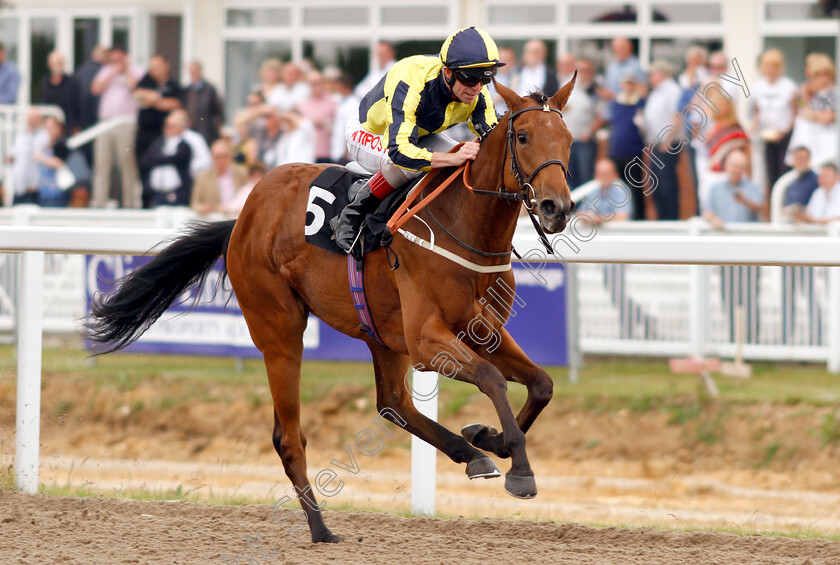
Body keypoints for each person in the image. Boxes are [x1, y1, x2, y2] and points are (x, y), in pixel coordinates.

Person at [331, 26, 503, 252]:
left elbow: (494, 138)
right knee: (417, 165)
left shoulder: (477, 92)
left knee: (465, 160)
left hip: (420, 136)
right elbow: (400, 151)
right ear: (448, 72)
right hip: (370, 133)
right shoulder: (411, 79)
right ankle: (350, 215)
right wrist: (451, 159)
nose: (477, 88)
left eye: (485, 78)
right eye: (470, 79)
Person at [90, 45, 143, 208]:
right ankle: (99, 202)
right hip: (106, 123)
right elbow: (95, 88)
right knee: (102, 163)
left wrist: (126, 70)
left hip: (126, 122)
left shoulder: (137, 71)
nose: (116, 63)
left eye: (119, 60)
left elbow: (137, 88)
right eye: (113, 60)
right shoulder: (107, 71)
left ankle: (131, 203)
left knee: (126, 163)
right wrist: (113, 72)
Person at [134, 54, 183, 207]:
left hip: (160, 135)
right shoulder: (146, 80)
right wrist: (158, 99)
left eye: (157, 66)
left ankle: (159, 200)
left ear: (166, 66)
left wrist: (153, 100)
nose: (154, 70)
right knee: (143, 167)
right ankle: (145, 202)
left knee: (159, 166)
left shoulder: (173, 85)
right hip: (143, 133)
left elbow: (174, 104)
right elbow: (137, 96)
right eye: (152, 67)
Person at [750, 49, 798, 194]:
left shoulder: (789, 87)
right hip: (766, 135)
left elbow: (796, 111)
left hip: (785, 136)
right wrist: (753, 126)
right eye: (767, 66)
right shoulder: (757, 87)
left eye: (774, 66)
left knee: (784, 170)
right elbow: (757, 111)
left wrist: (785, 131)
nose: (770, 70)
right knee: (769, 172)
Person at [643, 60, 682, 220]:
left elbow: (677, 114)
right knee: (656, 185)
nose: (650, 77)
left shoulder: (672, 90)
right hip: (656, 143)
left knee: (667, 184)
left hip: (667, 144)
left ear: (662, 74)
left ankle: (671, 218)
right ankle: (662, 217)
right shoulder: (657, 91)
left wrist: (668, 139)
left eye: (653, 74)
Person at [786, 53, 836, 171]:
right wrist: (804, 94)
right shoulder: (815, 95)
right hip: (813, 143)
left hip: (827, 145)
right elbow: (802, 111)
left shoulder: (834, 94)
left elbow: (827, 118)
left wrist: (812, 115)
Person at [608, 71, 646, 220]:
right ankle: (621, 215)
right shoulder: (616, 103)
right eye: (626, 83)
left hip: (634, 151)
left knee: (636, 187)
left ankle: (638, 218)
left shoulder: (641, 102)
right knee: (618, 187)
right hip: (617, 151)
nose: (628, 87)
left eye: (631, 83)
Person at [563, 56, 604, 188]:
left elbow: (601, 116)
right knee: (568, 176)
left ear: (591, 72)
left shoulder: (595, 91)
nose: (582, 73)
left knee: (585, 176)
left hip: (584, 141)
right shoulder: (568, 86)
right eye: (579, 70)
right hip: (568, 141)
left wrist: (588, 133)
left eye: (586, 70)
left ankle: (585, 208)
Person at [140, 110, 192, 207]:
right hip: (157, 192)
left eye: (172, 126)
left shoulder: (184, 145)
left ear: (180, 128)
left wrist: (159, 159)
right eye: (166, 125)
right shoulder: (159, 143)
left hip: (176, 192)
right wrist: (165, 159)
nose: (168, 129)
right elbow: (146, 160)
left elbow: (179, 158)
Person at [702, 150, 764, 228]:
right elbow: (707, 212)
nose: (737, 170)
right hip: (722, 236)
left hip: (747, 236)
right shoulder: (715, 188)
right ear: (726, 165)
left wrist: (745, 201)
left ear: (745, 169)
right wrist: (714, 219)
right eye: (734, 166)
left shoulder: (753, 187)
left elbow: (760, 208)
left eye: (740, 167)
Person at [190, 139, 249, 214]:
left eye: (224, 156)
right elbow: (195, 203)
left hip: (237, 216)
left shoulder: (242, 173)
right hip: (214, 218)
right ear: (212, 157)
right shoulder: (203, 176)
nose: (221, 160)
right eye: (217, 156)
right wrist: (202, 208)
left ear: (230, 156)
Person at [296, 70, 337, 163]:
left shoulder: (333, 101)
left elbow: (336, 125)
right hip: (307, 151)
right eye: (313, 84)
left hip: (327, 151)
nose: (317, 86)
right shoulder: (303, 103)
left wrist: (322, 123)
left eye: (319, 83)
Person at [9, 108, 49, 205]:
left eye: (34, 118)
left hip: (33, 188)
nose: (31, 121)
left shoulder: (44, 137)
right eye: (30, 118)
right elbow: (13, 156)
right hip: (19, 187)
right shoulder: (21, 136)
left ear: (39, 120)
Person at [579, 158, 633, 224]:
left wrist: (596, 219)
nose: (604, 177)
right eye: (601, 173)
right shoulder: (593, 190)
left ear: (615, 175)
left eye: (607, 173)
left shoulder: (620, 190)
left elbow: (622, 217)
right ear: (595, 175)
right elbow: (580, 214)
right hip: (596, 232)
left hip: (617, 233)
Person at [34, 116, 72, 207]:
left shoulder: (61, 145)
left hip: (57, 194)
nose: (49, 131)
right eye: (47, 128)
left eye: (52, 127)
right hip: (43, 193)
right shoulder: (43, 146)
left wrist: (42, 158)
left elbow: (59, 163)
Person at [184, 60, 224, 146]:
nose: (193, 74)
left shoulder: (209, 89)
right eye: (191, 71)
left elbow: (217, 111)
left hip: (207, 131)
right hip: (191, 129)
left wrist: (218, 128)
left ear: (200, 71)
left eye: (195, 71)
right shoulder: (187, 90)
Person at [40, 51, 81, 134]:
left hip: (68, 127)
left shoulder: (71, 82)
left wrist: (77, 126)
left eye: (60, 63)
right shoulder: (46, 82)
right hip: (50, 128)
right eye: (55, 63)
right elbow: (43, 103)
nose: (58, 66)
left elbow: (78, 105)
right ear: (50, 65)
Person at [328, 72, 359, 164]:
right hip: (338, 152)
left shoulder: (353, 104)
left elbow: (351, 129)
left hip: (345, 155)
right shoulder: (342, 101)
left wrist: (346, 152)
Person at [601, 37, 644, 101]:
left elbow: (642, 90)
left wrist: (619, 97)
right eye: (615, 48)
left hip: (629, 107)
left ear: (629, 48)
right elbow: (607, 87)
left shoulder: (636, 66)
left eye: (621, 48)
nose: (617, 51)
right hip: (613, 106)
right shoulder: (611, 66)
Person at [781, 146, 819, 218]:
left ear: (809, 160)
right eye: (798, 158)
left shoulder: (817, 180)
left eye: (803, 158)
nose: (800, 161)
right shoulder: (791, 183)